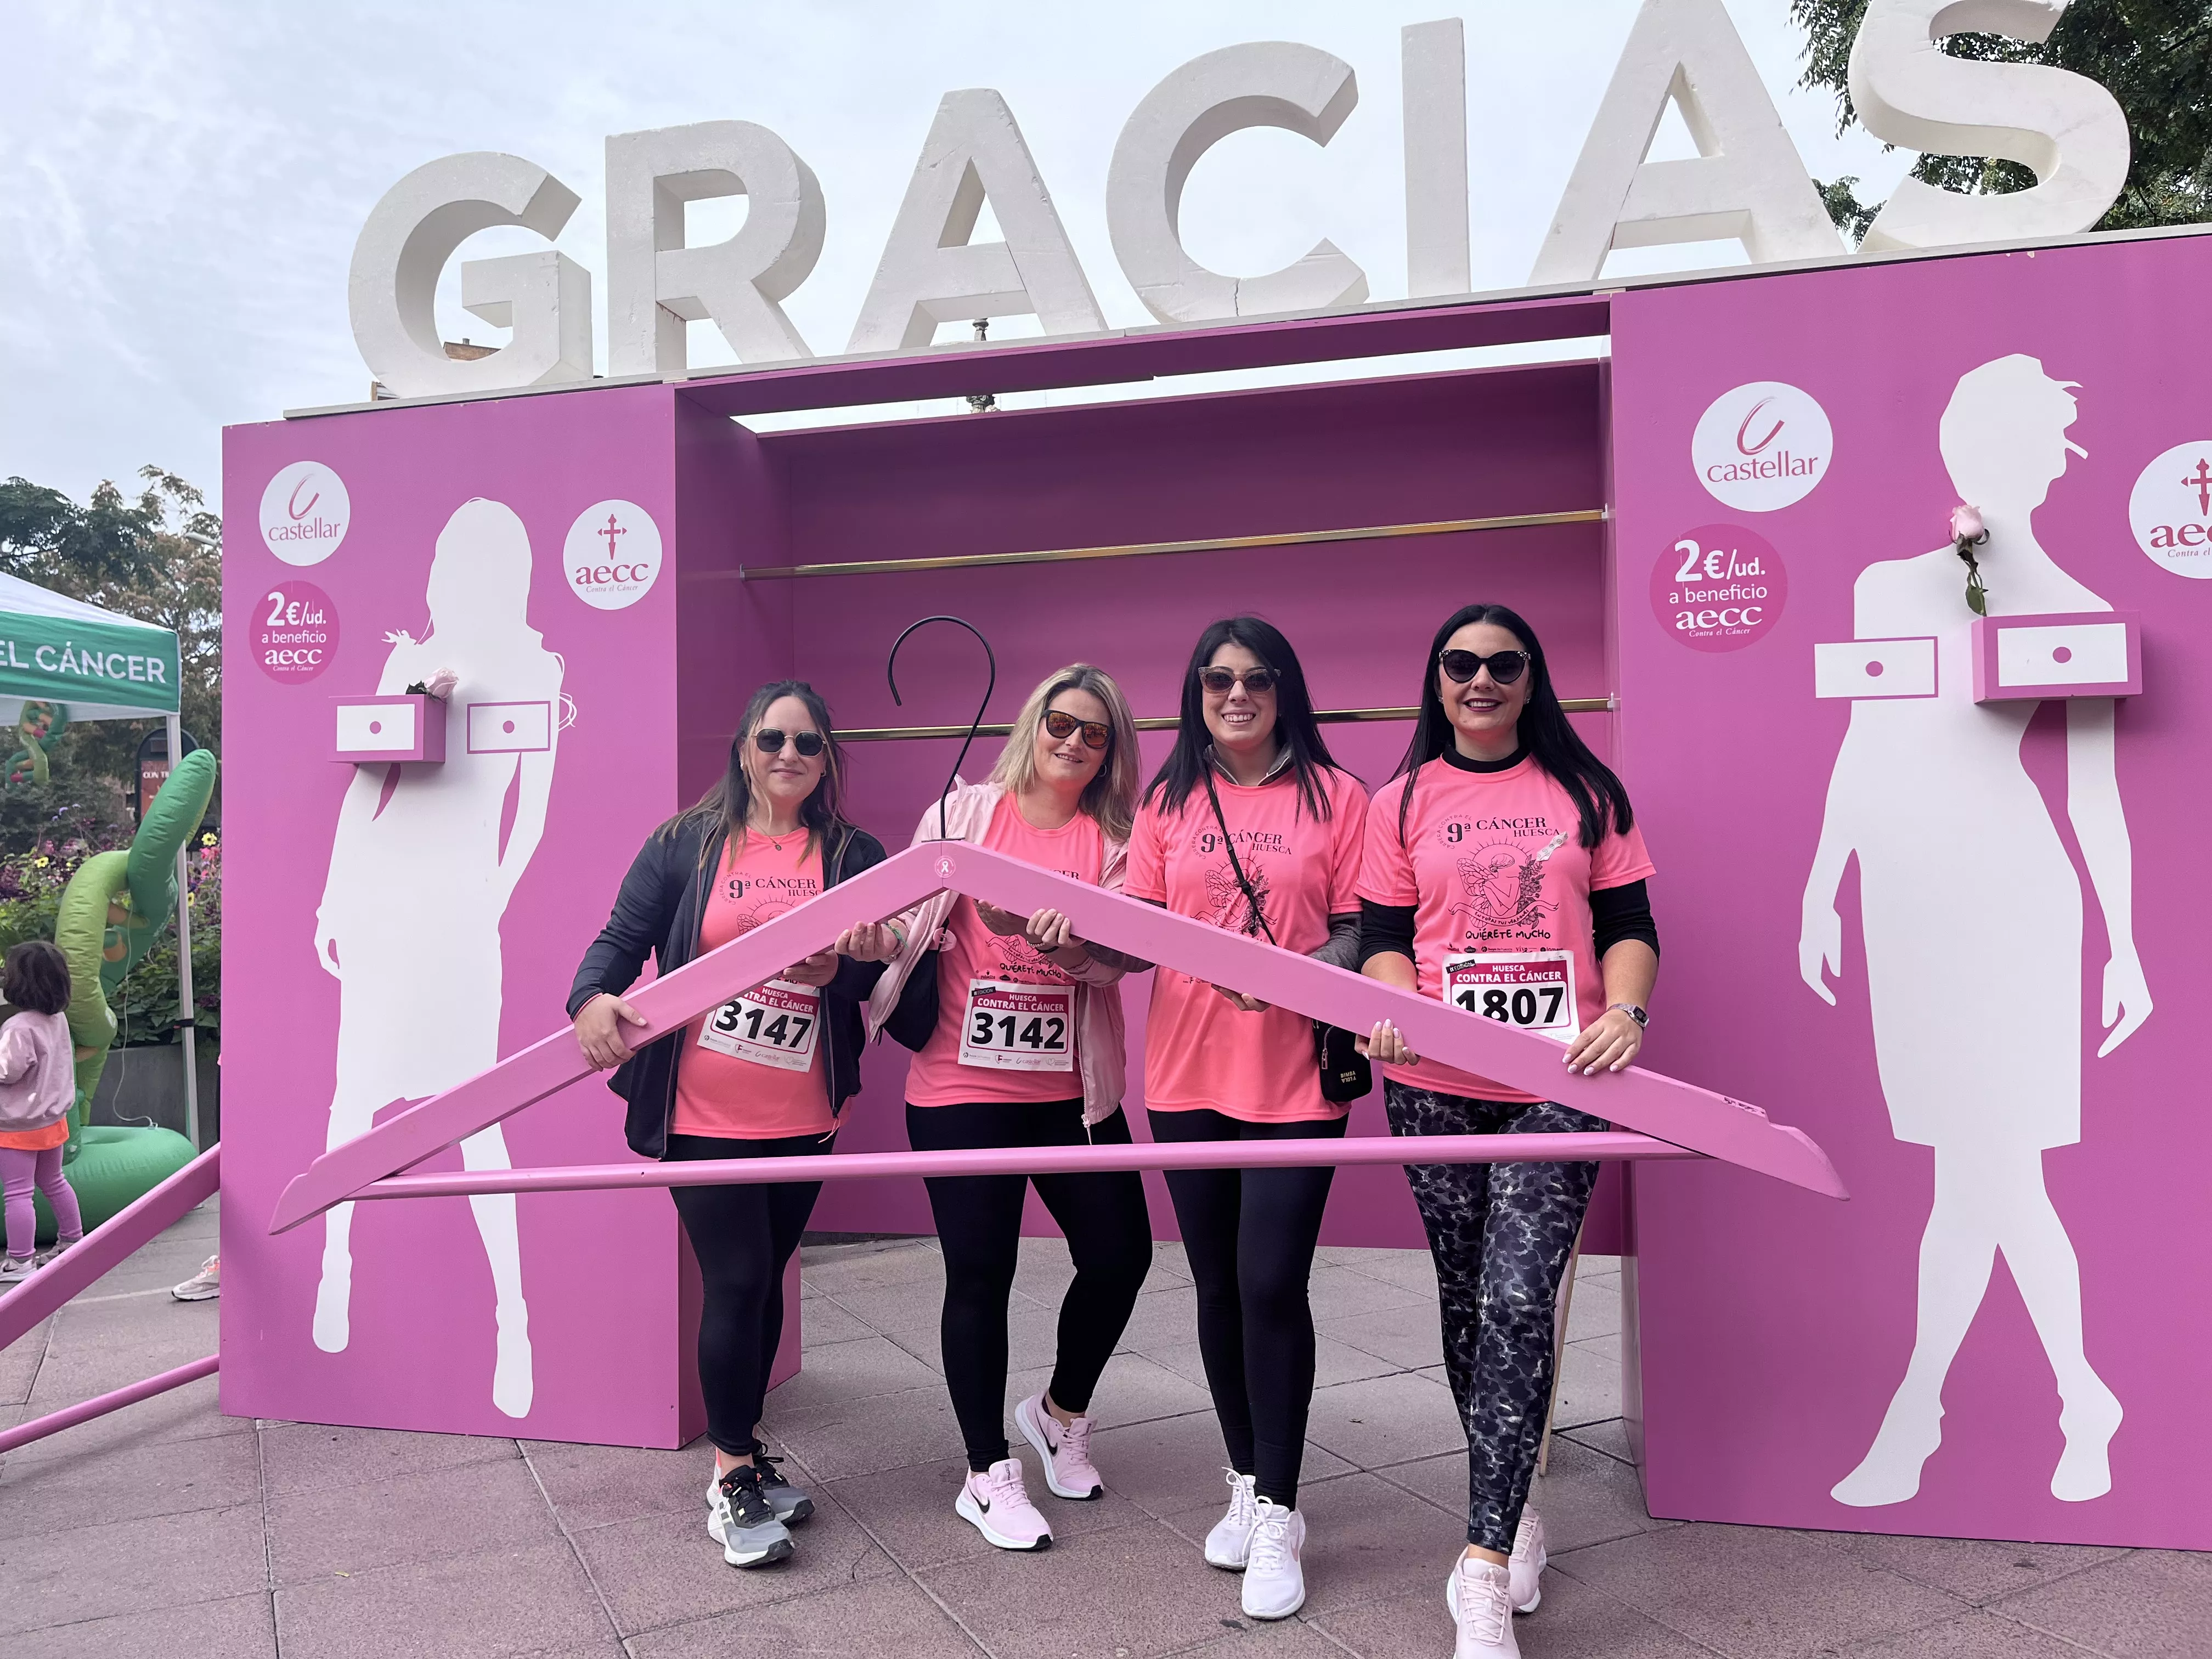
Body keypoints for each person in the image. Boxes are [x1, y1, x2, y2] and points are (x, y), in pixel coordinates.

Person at [1802, 357, 2143, 1506]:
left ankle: (1923, 1410)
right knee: (1982, 1172)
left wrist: (2127, 946)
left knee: (1983, 1171)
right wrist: (1823, 882)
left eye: (2033, 440)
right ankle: (2075, 1397)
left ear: (2047, 462)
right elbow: (1865, 743)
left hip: (2015, 899)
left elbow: (2095, 794)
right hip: (1909, 904)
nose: (2006, 458)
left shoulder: (2080, 611)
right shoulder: (1887, 588)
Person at [1356, 604, 1657, 1659]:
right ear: (1434, 680)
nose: (1479, 679)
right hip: (1433, 1082)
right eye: (1459, 664)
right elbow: (1385, 939)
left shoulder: (1585, 790)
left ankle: (1479, 1563)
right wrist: (1387, 1002)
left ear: (1531, 680)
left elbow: (1629, 927)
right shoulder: (1399, 800)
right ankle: (1515, 1497)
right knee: (1465, 1299)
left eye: (1502, 663)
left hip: (1559, 1077)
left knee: (1521, 1295)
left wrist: (1623, 1013)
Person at [569, 680, 898, 1570]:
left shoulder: (853, 850)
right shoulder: (686, 841)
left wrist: (849, 962)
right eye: (773, 738)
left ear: (827, 758)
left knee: (765, 1280)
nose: (789, 754)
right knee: (740, 1275)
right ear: (744, 747)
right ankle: (729, 1475)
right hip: (700, 1108)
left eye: (808, 743)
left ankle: (748, 1449)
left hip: (804, 1113)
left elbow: (875, 986)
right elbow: (622, 934)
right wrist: (589, 997)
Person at [865, 664, 1153, 1553]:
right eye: (1060, 723)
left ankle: (1058, 1411)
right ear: (1033, 722)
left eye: (1093, 733)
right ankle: (985, 1470)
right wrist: (875, 941)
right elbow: (903, 919)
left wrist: (1064, 945)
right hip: (960, 1086)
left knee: (1121, 1253)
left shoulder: (1112, 836)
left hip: (1074, 1092)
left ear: (1110, 752)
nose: (1072, 742)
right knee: (979, 1274)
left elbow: (1122, 960)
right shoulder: (962, 813)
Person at [1121, 618, 1367, 1620]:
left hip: (1295, 1079)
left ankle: (1280, 1506)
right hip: (1184, 1077)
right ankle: (1242, 1473)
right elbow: (1134, 932)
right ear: (1196, 692)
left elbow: (1364, 926)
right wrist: (1057, 935)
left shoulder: (1335, 795)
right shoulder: (1168, 798)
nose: (1235, 695)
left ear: (1283, 689)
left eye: (1255, 679)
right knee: (1217, 1283)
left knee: (1272, 1280)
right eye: (1217, 679)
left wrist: (1305, 975)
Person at [312, 498, 562, 1417]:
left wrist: (484, 907)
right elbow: (364, 788)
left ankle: (513, 1320)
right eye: (454, 563)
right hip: (384, 906)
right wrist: (334, 899)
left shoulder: (536, 668)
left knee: (475, 1114)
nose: (460, 580)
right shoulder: (408, 656)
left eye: (479, 564)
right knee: (354, 1099)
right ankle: (334, 1267)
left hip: (459, 914)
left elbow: (528, 817)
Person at [0, 940, 81, 1286]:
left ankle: (21, 1260)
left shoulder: (18, 1028)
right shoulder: (57, 1019)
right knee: (54, 1181)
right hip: (52, 1120)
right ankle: (73, 1241)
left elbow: (6, 1071)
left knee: (17, 1193)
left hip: (17, 1126)